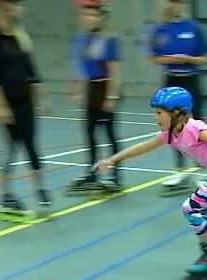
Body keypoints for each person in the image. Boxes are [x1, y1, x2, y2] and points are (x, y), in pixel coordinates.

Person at [93, 87, 207, 280]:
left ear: (176, 112)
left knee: (191, 207)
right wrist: (113, 159)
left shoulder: (194, 128)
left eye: (159, 112)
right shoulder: (169, 134)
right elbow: (141, 147)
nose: (155, 117)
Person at [0, 0, 51, 222]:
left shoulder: (19, 34)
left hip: (24, 99)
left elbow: (31, 69)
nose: (20, 9)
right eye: (16, 4)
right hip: (6, 100)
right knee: (9, 148)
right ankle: (4, 195)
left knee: (31, 145)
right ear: (3, 6)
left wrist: (40, 98)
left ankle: (39, 189)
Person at [145, 0, 207, 196]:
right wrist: (169, 59)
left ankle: (199, 170)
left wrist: (189, 59)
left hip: (191, 80)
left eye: (178, 2)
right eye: (171, 2)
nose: (175, 5)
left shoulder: (194, 28)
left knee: (197, 126)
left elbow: (204, 56)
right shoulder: (160, 29)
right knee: (172, 126)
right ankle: (180, 171)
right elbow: (153, 56)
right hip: (171, 80)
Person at [66, 0, 124, 196]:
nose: (89, 18)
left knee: (109, 134)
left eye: (93, 15)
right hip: (92, 87)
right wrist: (80, 90)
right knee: (89, 132)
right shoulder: (82, 39)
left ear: (101, 17)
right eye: (86, 15)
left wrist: (111, 96)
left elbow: (115, 70)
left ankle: (116, 175)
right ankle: (92, 172)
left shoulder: (109, 39)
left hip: (106, 86)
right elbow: (83, 69)